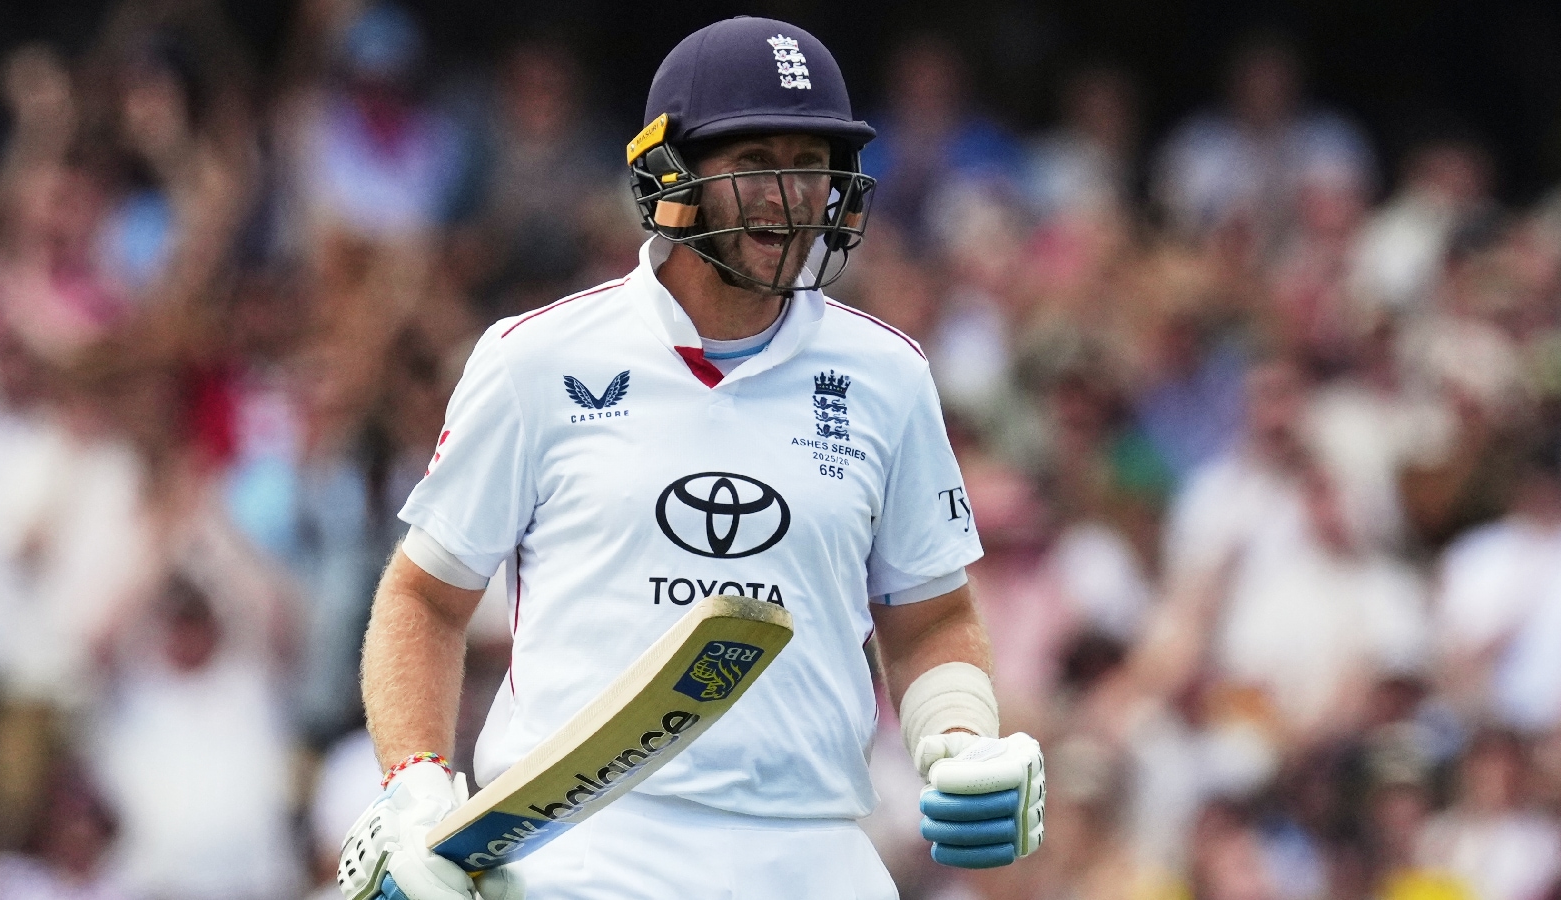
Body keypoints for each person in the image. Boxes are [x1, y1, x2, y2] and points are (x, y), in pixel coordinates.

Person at [335, 18, 1045, 900]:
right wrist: (413, 784)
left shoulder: (888, 378)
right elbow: (425, 599)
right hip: (581, 850)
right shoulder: (538, 361)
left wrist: (964, 739)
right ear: (669, 176)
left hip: (811, 847)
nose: (790, 197)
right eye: (756, 161)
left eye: (812, 161)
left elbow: (931, 617)